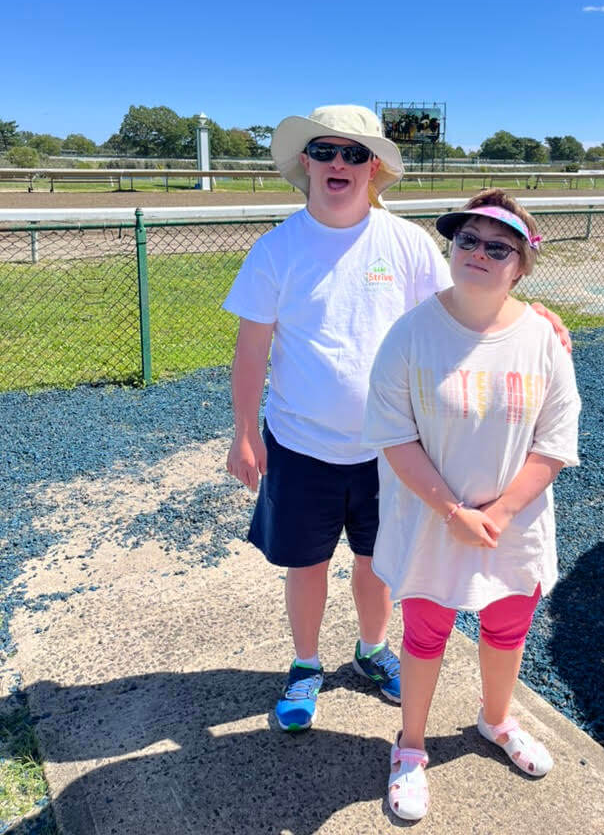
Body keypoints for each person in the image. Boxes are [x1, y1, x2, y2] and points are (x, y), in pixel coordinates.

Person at [223, 106, 569, 735]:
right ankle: (306, 664)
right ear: (306, 160)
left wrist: (533, 311)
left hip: (397, 448)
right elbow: (252, 351)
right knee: (306, 562)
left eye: (355, 154)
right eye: (326, 151)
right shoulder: (276, 249)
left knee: (378, 560)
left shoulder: (406, 242)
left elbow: (461, 303)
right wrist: (246, 433)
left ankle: (372, 649)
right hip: (301, 441)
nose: (339, 163)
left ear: (375, 168)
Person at [361, 189, 581, 821]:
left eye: (498, 246)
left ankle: (496, 720)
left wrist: (502, 513)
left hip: (513, 529)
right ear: (450, 248)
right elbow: (394, 433)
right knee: (425, 633)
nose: (478, 253)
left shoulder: (543, 340)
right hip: (432, 525)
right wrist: (452, 511)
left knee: (507, 626)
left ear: (521, 265)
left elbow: (555, 441)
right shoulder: (410, 334)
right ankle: (409, 747)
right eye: (466, 240)